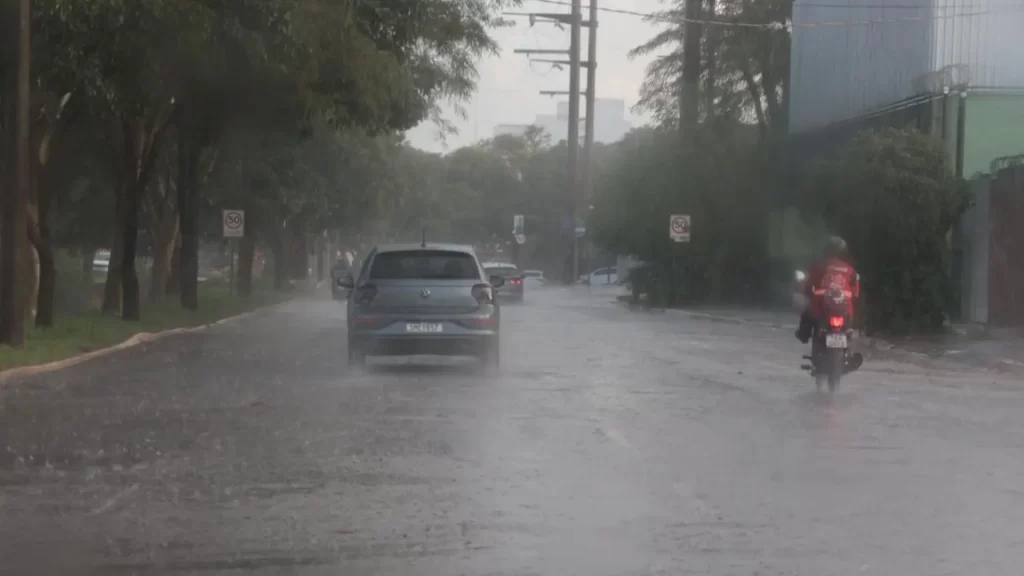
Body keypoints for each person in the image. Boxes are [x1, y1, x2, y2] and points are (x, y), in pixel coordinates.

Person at [795, 236, 859, 344]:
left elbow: (810, 283)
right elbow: (856, 293)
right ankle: (848, 336)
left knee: (807, 314)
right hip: (845, 309)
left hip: (821, 306)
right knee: (850, 322)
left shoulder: (820, 266)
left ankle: (804, 335)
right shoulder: (850, 270)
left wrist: (807, 292)